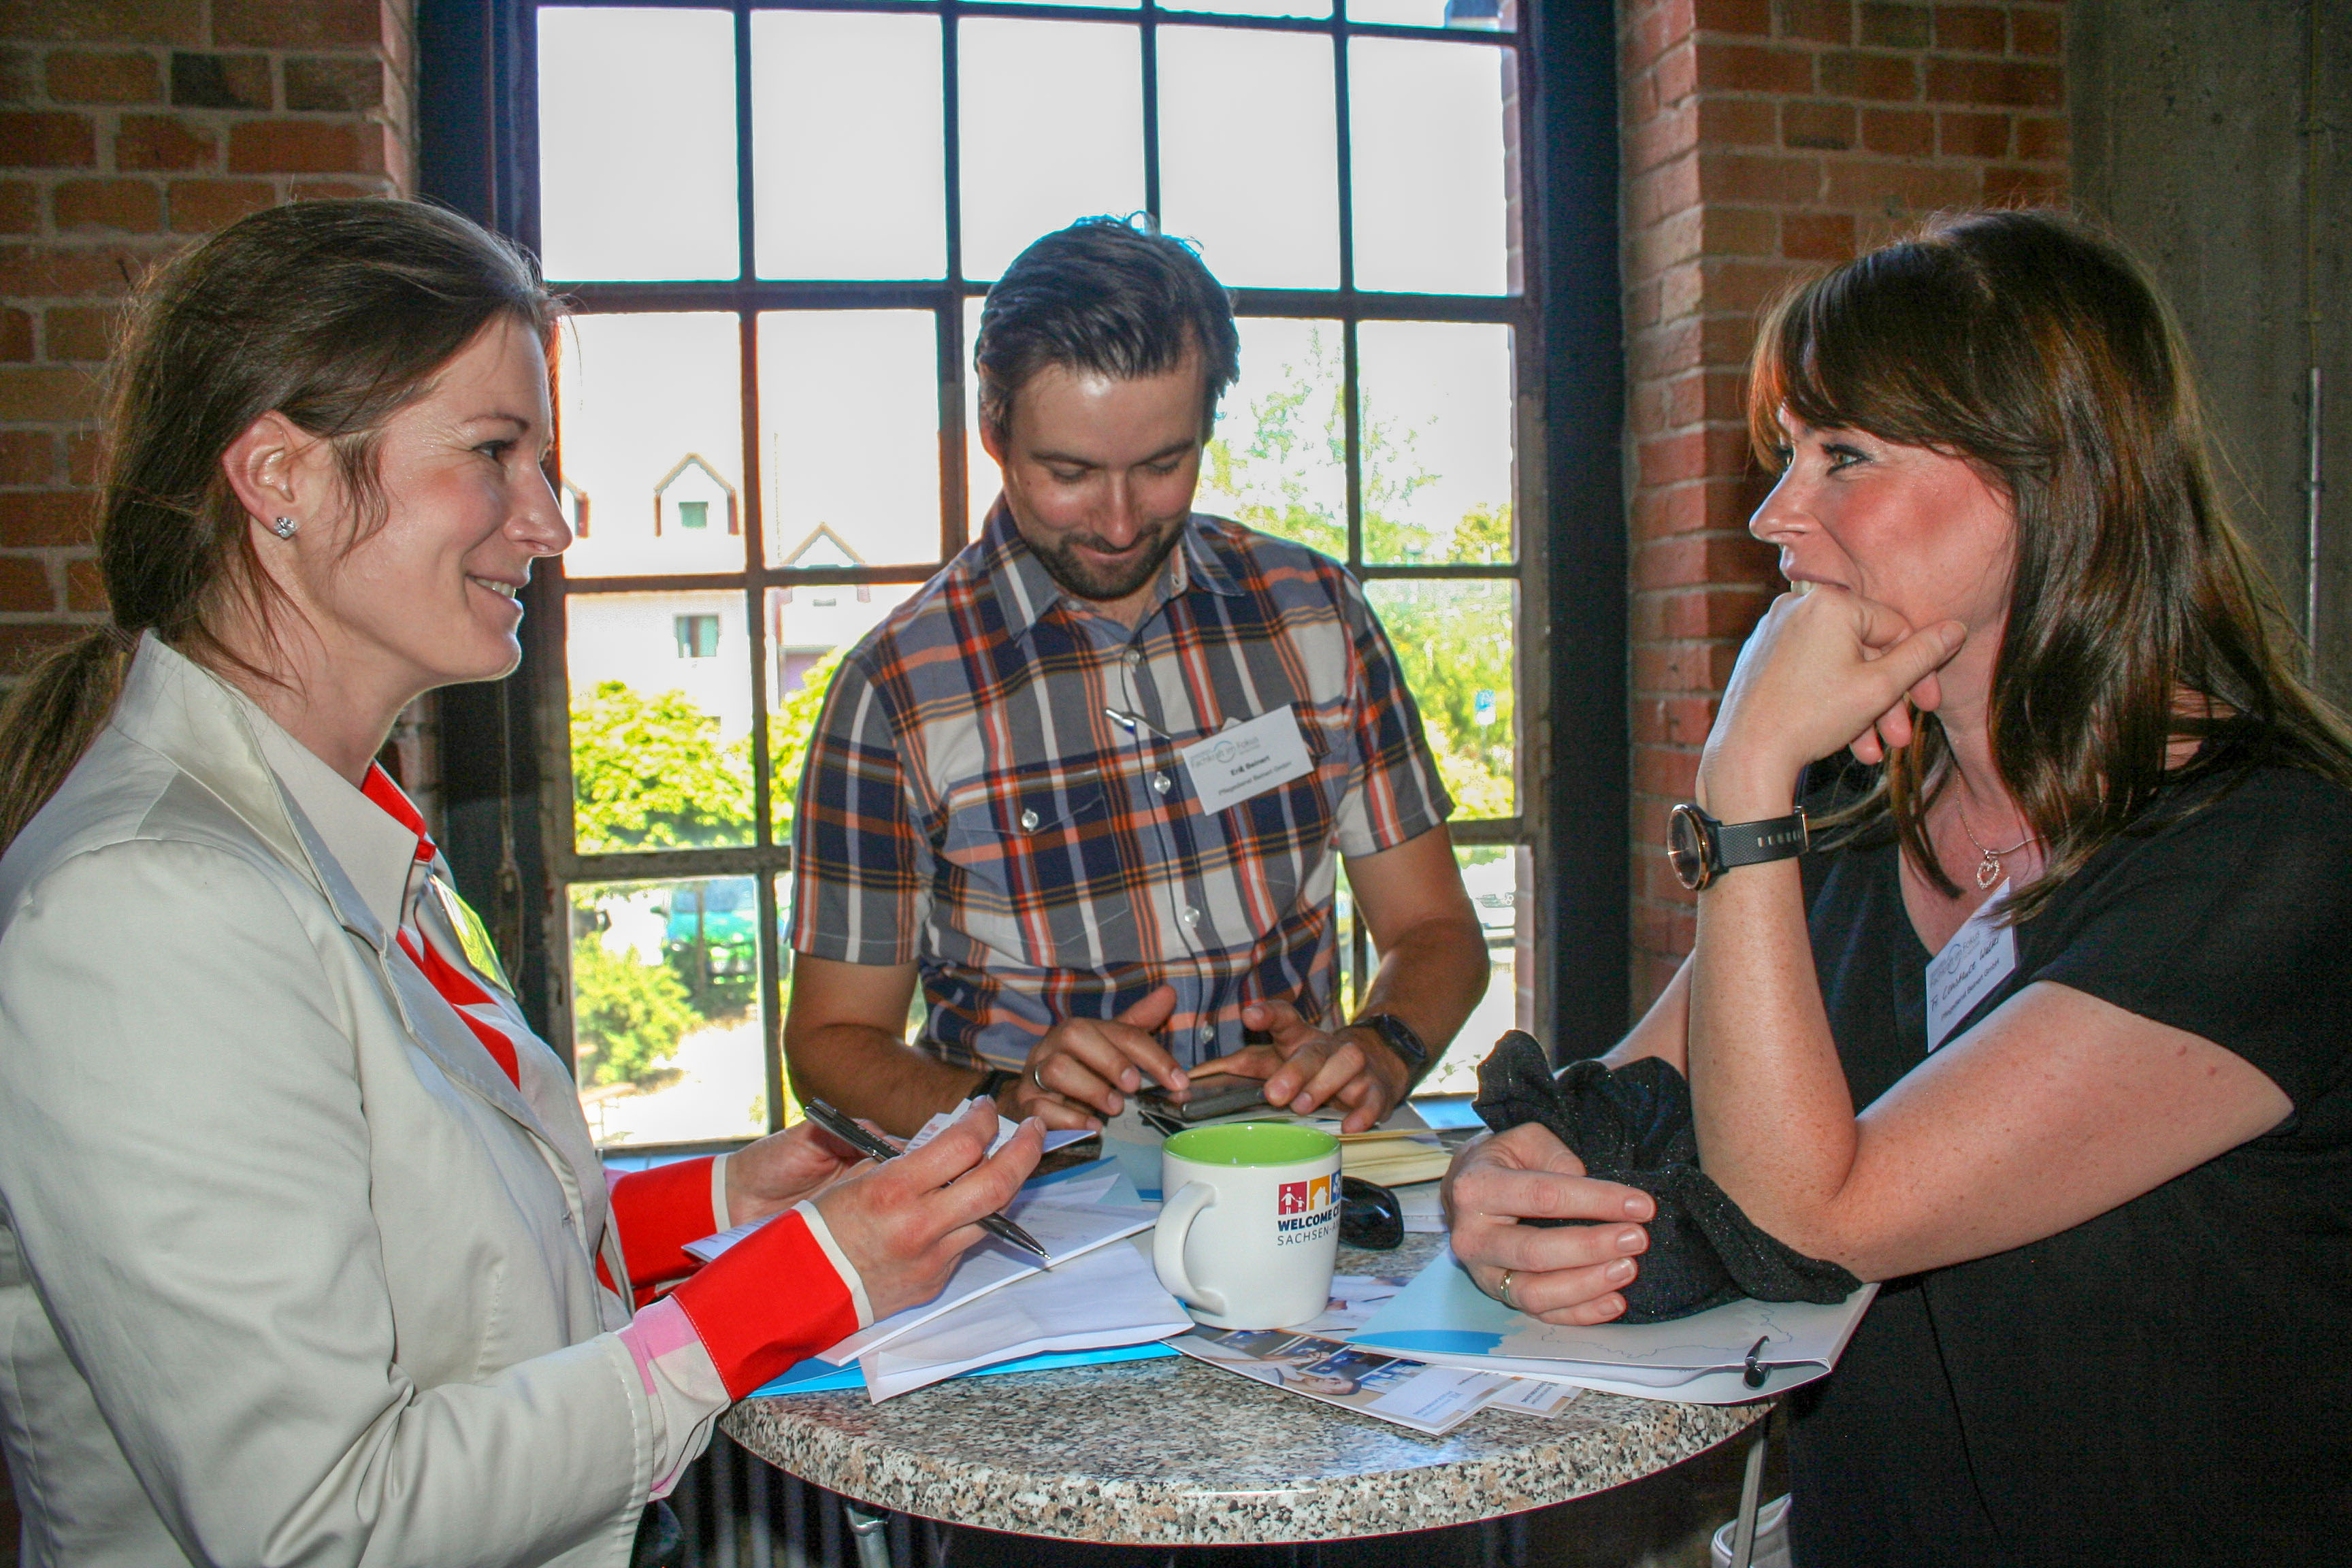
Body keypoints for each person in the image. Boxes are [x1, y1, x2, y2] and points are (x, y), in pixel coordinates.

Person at [0, 198, 1042, 1568]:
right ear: (280, 480)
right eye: (496, 453)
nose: (551, 522)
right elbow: (321, 1525)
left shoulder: (348, 841)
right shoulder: (143, 909)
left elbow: (417, 1266)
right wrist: (789, 1295)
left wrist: (721, 1205)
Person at [1443, 210, 2352, 1565]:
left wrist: (1746, 775)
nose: (1775, 517)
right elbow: (1632, 1114)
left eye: (1843, 457)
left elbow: (1822, 1208)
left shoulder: (2271, 854)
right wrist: (1506, 1195)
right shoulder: (1868, 819)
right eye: (1787, 455)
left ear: (2052, 482)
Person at [783, 217, 1490, 1137]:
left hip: (1300, 1176)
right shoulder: (897, 690)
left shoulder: (1315, 613)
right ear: (994, 429)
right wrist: (1004, 1104)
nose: (1119, 524)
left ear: (1208, 421)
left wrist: (1381, 1048)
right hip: (1034, 1208)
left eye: (1164, 465)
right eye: (1069, 473)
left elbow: (1436, 930)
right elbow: (832, 1043)